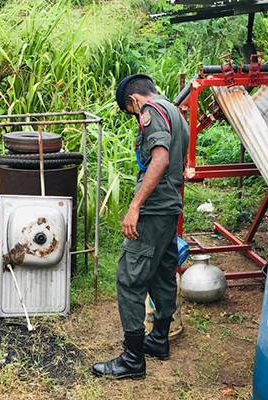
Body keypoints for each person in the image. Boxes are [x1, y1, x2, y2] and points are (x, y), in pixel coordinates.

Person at [91, 74, 189, 379]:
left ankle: (132, 359)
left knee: (129, 279)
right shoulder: (174, 112)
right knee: (162, 273)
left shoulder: (151, 113)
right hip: (168, 208)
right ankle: (158, 340)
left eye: (130, 111)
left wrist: (134, 206)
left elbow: (159, 159)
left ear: (134, 101)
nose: (135, 117)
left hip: (153, 210)